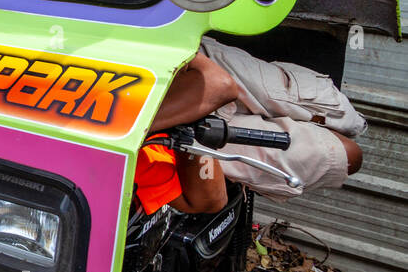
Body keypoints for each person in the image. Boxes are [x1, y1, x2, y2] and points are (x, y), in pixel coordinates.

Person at [148, 37, 364, 200]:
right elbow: (210, 202)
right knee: (347, 156)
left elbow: (219, 84)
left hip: (185, 67)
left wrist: (138, 128)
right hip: (177, 125)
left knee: (345, 118)